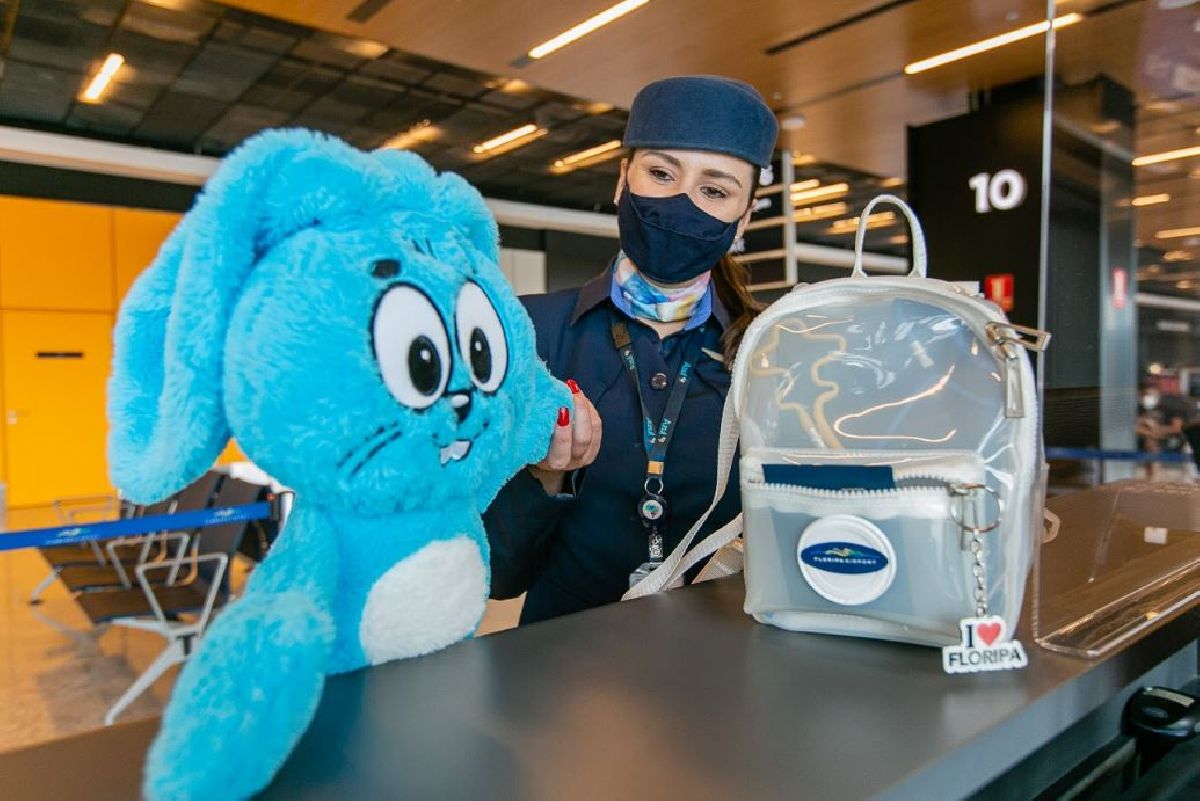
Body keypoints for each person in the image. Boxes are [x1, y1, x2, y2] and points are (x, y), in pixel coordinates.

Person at [483, 75, 778, 624]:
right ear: (623, 179)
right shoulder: (528, 332)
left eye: (715, 190)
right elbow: (496, 573)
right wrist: (546, 478)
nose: (681, 202)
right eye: (661, 173)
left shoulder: (770, 353)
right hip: (559, 667)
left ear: (744, 216)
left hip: (722, 666)